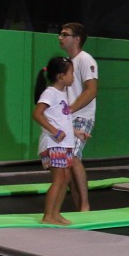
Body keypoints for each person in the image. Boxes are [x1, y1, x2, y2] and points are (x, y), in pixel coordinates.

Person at [32, 56, 85, 225]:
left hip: (64, 144)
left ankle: (55, 213)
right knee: (59, 179)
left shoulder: (62, 94)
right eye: (71, 73)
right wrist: (54, 132)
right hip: (54, 144)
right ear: (61, 76)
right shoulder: (50, 93)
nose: (73, 77)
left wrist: (76, 132)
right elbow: (37, 114)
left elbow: (61, 119)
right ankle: (48, 215)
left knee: (66, 178)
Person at [58, 22, 98, 212]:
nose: (60, 37)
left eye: (65, 34)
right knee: (67, 162)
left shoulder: (85, 59)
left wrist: (71, 110)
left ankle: (85, 206)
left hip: (82, 116)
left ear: (77, 38)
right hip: (69, 117)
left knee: (72, 156)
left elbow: (91, 91)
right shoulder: (67, 62)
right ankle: (78, 208)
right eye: (60, 34)